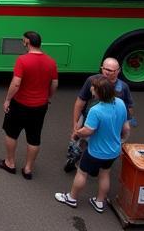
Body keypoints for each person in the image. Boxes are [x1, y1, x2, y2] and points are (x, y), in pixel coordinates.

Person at [55, 75, 130, 212]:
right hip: (113, 150)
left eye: (93, 88)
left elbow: (88, 131)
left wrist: (77, 133)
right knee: (104, 174)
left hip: (96, 151)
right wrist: (120, 142)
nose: (91, 89)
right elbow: (126, 128)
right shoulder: (120, 103)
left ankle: (72, 198)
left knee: (82, 173)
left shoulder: (96, 110)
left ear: (100, 92)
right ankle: (99, 202)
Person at [0, 29, 58, 178]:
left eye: (23, 41)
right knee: (34, 137)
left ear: (27, 42)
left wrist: (8, 99)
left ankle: (10, 163)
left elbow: (16, 84)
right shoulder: (51, 61)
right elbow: (54, 83)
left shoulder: (22, 60)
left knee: (11, 133)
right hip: (40, 106)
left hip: (20, 104)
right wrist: (48, 96)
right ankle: (28, 168)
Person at [68, 57, 135, 171]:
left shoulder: (123, 87)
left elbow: (129, 107)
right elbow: (80, 102)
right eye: (105, 69)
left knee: (95, 144)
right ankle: (74, 157)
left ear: (118, 71)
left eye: (111, 70)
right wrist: (75, 122)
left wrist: (125, 123)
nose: (107, 72)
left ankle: (91, 163)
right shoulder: (91, 80)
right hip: (88, 119)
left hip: (106, 124)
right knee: (78, 140)